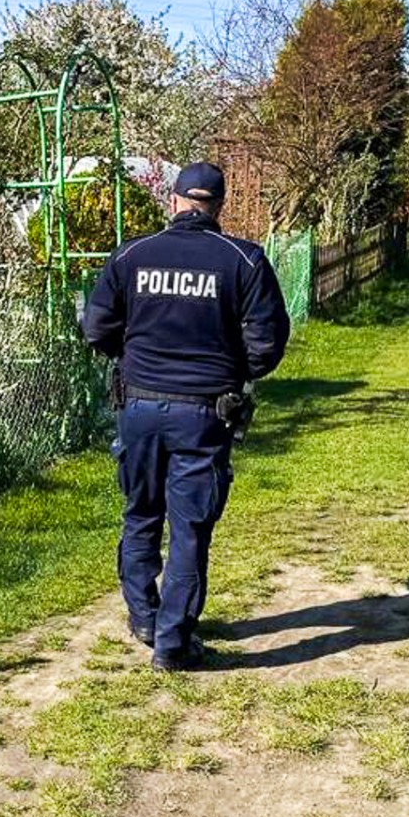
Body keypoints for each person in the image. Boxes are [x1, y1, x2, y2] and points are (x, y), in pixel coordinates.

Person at [80, 161, 291, 670]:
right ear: (218, 206)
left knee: (141, 515)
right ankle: (172, 644)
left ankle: (145, 618)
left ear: (172, 202)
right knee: (190, 527)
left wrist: (132, 357)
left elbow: (96, 328)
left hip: (139, 406)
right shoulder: (243, 260)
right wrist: (232, 371)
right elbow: (267, 343)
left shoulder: (133, 255)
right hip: (205, 412)